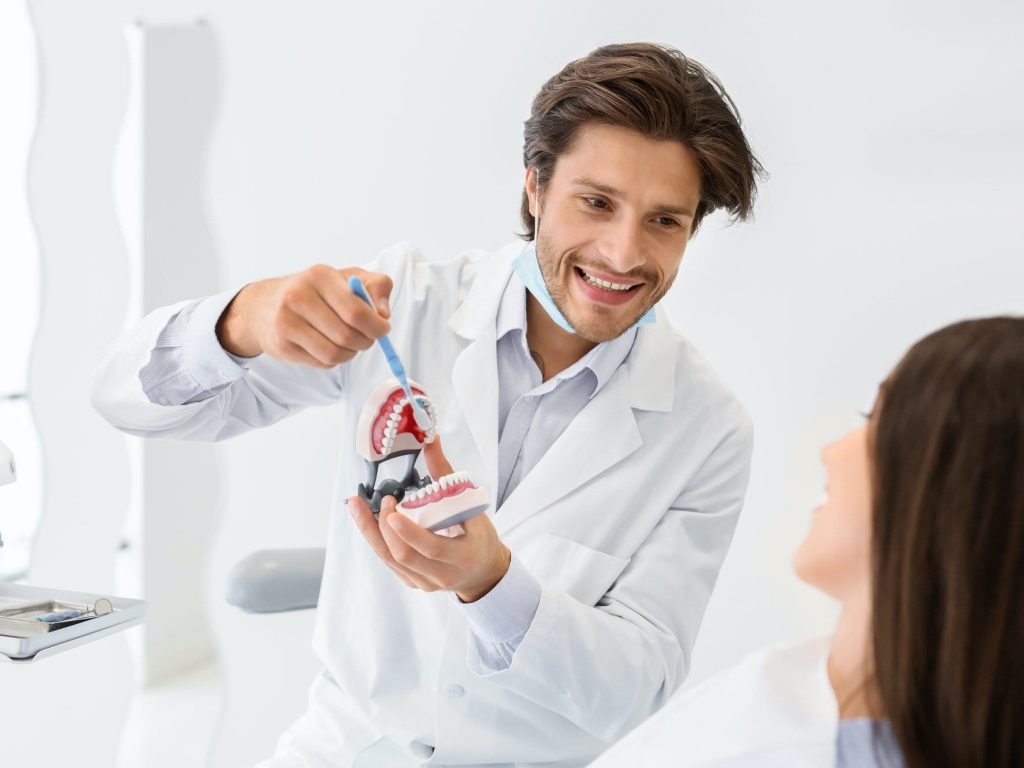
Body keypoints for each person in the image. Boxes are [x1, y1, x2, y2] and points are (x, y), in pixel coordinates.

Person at [92, 43, 763, 767]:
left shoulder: (707, 428)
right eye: (596, 203)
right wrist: (242, 322)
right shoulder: (403, 307)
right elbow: (124, 398)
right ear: (535, 187)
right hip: (347, 749)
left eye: (664, 221)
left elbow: (637, 687)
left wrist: (492, 583)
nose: (624, 253)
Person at [590, 316, 1024, 767]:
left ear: (952, 491)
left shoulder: (794, 748)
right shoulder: (796, 693)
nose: (831, 452)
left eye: (876, 419)